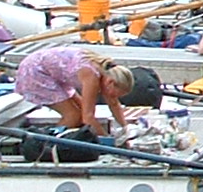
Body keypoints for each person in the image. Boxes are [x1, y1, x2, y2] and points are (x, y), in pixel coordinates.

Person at [11, 48, 153, 137]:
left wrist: (125, 129)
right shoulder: (91, 76)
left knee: (80, 107)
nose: (113, 97)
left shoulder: (107, 71)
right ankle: (49, 142)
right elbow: (88, 118)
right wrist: (106, 140)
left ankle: (66, 135)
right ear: (110, 82)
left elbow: (114, 104)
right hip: (35, 71)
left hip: (55, 74)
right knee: (73, 115)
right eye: (115, 93)